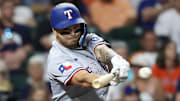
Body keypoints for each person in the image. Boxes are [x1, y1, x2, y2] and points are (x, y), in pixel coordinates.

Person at [47, 3, 130, 101]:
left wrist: (116, 59)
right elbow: (83, 79)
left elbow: (102, 51)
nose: (73, 34)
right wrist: (110, 78)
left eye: (76, 29)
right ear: (55, 30)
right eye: (66, 31)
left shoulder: (89, 38)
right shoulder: (57, 58)